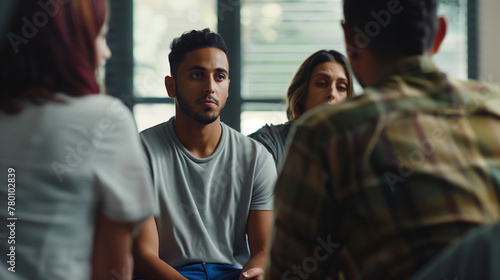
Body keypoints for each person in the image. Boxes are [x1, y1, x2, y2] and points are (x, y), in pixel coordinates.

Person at [266, 0, 500, 279]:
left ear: (351, 39)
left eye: (341, 86)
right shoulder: (493, 104)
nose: (332, 94)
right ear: (439, 34)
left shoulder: (326, 133)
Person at [0, 0, 156, 279]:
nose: (107, 52)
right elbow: (112, 272)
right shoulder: (104, 120)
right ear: (72, 42)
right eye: (101, 36)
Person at [133, 29, 276, 280]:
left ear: (228, 87)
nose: (210, 87)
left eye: (219, 77)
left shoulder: (256, 158)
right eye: (197, 75)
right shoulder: (140, 152)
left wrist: (251, 274)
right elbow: (144, 255)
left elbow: (264, 248)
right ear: (171, 85)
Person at [249, 50, 355, 168]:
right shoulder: (267, 142)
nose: (332, 93)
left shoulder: (358, 149)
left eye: (341, 87)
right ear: (302, 94)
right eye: (321, 83)